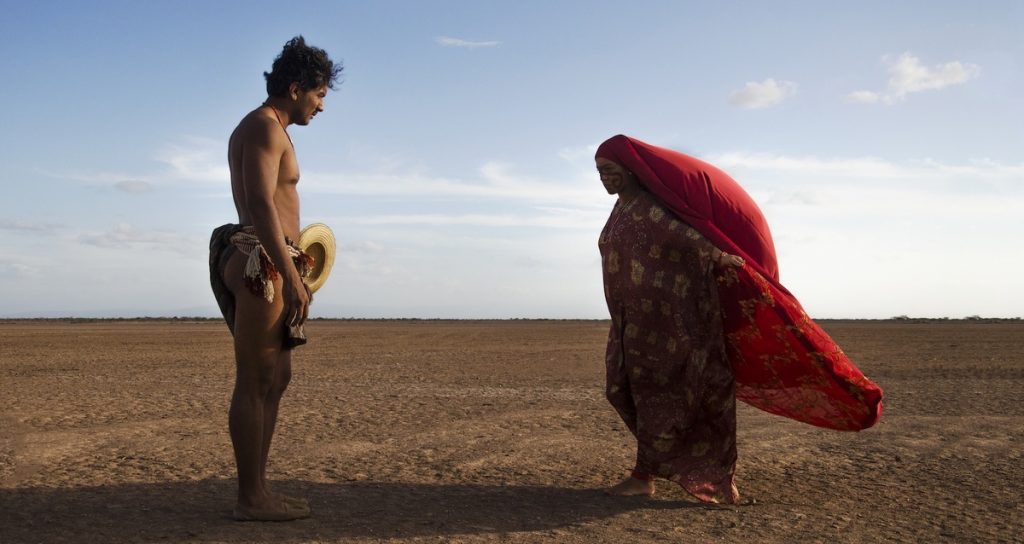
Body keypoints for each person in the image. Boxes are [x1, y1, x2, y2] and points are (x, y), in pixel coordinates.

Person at [595, 135, 883, 504]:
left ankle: (667, 475)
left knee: (670, 398)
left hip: (671, 325)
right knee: (623, 390)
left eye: (610, 171)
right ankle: (652, 469)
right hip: (631, 325)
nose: (604, 178)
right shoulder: (619, 211)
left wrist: (720, 257)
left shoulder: (650, 209)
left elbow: (687, 240)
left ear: (631, 170)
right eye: (600, 172)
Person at [208, 35, 342, 521]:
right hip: (261, 262)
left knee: (276, 378)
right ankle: (250, 498)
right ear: (295, 87)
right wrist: (289, 272)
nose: (321, 106)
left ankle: (259, 489)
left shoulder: (269, 128)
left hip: (271, 256)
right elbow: (263, 204)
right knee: (255, 379)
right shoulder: (264, 128)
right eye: (320, 95)